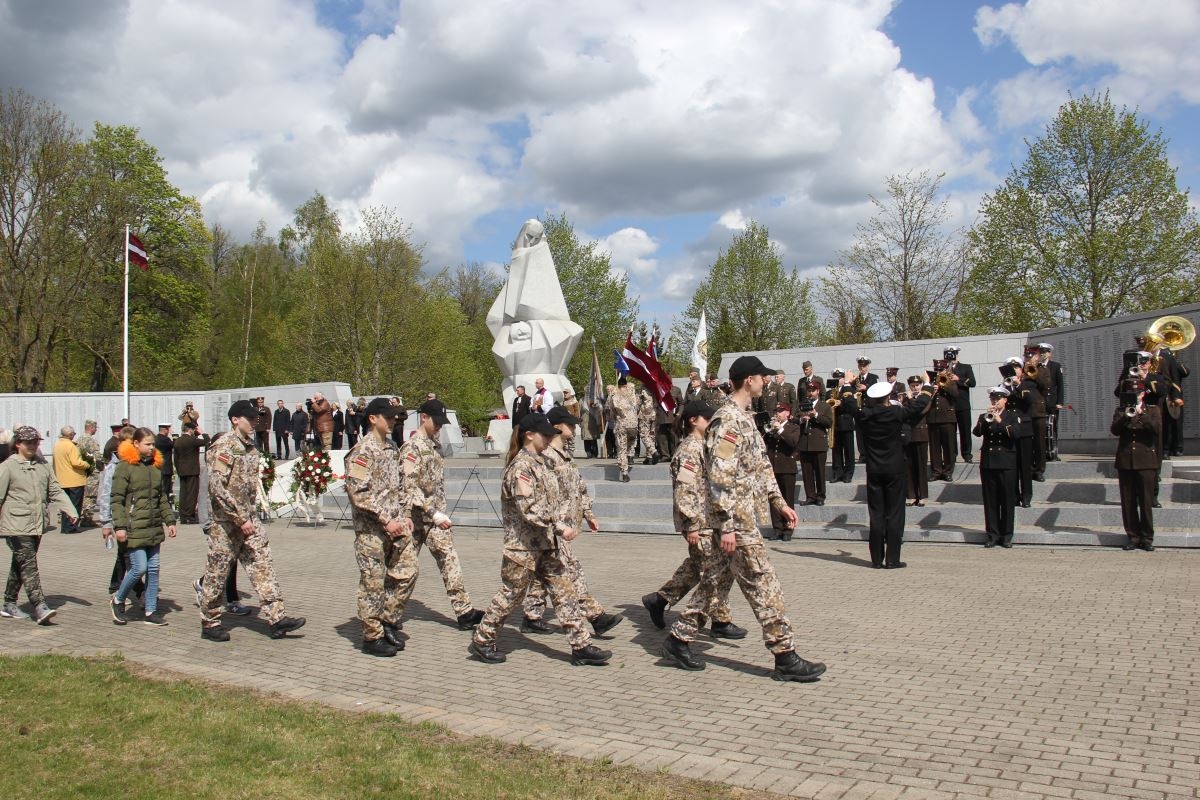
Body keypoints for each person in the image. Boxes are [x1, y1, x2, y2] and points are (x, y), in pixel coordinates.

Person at [662, 355, 826, 681]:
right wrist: (726, 526)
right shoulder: (727, 423)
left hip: (745, 518)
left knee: (715, 584)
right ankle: (785, 656)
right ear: (748, 380)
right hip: (736, 523)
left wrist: (779, 502)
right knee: (765, 585)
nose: (766, 382)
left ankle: (678, 639)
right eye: (762, 377)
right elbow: (720, 478)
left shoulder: (746, 418)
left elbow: (762, 467)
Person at [468, 413, 612, 667]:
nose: (549, 438)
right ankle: (482, 638)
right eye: (544, 434)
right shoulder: (521, 467)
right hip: (522, 548)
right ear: (529, 434)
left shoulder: (541, 463)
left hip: (545, 545)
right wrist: (559, 526)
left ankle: (581, 646)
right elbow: (530, 508)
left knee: (565, 592)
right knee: (511, 595)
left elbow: (554, 499)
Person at [198, 400, 305, 642]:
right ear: (235, 419)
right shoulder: (224, 446)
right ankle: (210, 621)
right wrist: (239, 517)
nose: (255, 422)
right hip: (226, 523)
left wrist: (249, 517)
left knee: (262, 565)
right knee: (217, 572)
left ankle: (277, 619)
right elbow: (217, 488)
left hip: (249, 521)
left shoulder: (251, 448)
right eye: (249, 418)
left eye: (256, 418)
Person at [642, 401, 746, 641]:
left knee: (698, 567)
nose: (711, 425)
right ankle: (720, 620)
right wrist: (691, 524)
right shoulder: (690, 449)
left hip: (710, 521)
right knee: (714, 572)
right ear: (694, 420)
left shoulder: (704, 446)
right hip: (700, 522)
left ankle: (659, 600)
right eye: (707, 419)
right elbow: (684, 490)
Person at [519, 406, 622, 637]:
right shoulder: (545, 458)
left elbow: (578, 488)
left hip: (567, 524)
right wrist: (555, 522)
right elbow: (542, 494)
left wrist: (588, 514)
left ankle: (532, 615)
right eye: (570, 424)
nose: (574, 428)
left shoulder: (565, 454)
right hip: (554, 525)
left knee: (544, 572)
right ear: (556, 426)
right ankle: (596, 617)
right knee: (571, 570)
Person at [399, 398, 485, 631]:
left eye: (441, 422)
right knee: (404, 569)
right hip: (415, 519)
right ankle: (389, 616)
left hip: (435, 518)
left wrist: (438, 513)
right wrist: (432, 513)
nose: (438, 426)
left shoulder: (433, 446)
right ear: (423, 418)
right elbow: (409, 486)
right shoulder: (412, 448)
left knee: (450, 561)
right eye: (435, 421)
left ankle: (464, 611)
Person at [344, 398, 413, 656]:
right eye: (389, 416)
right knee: (372, 584)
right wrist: (386, 519)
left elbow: (401, 485)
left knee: (408, 572)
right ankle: (372, 637)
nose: (394, 420)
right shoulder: (362, 452)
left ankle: (387, 620)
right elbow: (358, 492)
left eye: (396, 417)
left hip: (397, 527)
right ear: (373, 418)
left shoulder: (393, 448)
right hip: (372, 531)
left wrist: (405, 514)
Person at [0, 426, 77, 624]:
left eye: (36, 442)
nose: (33, 445)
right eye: (29, 442)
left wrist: (70, 510)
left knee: (22, 563)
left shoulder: (43, 464)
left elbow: (55, 490)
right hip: (15, 524)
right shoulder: (8, 466)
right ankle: (40, 606)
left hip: (36, 523)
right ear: (18, 444)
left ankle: (9, 603)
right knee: (29, 564)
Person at [856, 379, 933, 569]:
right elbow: (918, 406)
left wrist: (849, 385)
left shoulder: (865, 415)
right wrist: (928, 388)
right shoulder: (897, 412)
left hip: (874, 470)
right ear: (888, 397)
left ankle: (876, 559)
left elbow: (849, 406)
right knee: (895, 514)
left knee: (876, 514)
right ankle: (892, 559)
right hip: (895, 469)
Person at [109, 428, 177, 626]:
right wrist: (120, 526)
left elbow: (161, 497)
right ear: (136, 444)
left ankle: (150, 611)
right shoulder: (125, 467)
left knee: (154, 569)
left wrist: (170, 520)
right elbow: (117, 499)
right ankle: (118, 599)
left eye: (153, 444)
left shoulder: (155, 467)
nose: (152, 447)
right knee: (139, 568)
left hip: (153, 526)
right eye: (148, 444)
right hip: (134, 527)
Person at [1112, 378, 1161, 551]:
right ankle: (1133, 536)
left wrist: (1142, 415)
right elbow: (1115, 430)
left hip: (1146, 461)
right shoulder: (1121, 410)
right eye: (1132, 393)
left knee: (1146, 501)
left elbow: (1156, 430)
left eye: (1138, 392)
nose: (1135, 395)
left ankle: (1147, 538)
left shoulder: (1152, 410)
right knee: (1128, 501)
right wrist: (1126, 415)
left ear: (1143, 394)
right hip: (1126, 461)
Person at [974, 387, 1019, 549]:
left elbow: (1016, 434)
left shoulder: (1012, 415)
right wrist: (986, 419)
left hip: (1006, 463)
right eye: (993, 399)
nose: (995, 402)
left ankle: (1007, 535)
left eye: (997, 399)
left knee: (1007, 500)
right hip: (989, 464)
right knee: (990, 501)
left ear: (1005, 400)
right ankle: (992, 534)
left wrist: (1001, 421)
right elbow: (977, 433)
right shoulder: (985, 416)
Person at [762, 403, 801, 541]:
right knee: (774, 500)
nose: (778, 413)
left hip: (787, 468)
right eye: (776, 411)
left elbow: (792, 442)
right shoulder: (772, 428)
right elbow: (764, 443)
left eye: (781, 411)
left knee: (787, 499)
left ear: (788, 414)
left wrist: (780, 430)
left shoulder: (793, 427)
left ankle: (788, 529)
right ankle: (777, 528)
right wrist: (768, 431)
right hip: (773, 468)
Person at [795, 380, 833, 507]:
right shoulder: (802, 405)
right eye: (809, 391)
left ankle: (821, 496)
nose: (810, 393)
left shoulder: (824, 406)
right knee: (807, 472)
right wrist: (801, 419)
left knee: (820, 471)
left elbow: (829, 423)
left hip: (818, 443)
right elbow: (794, 419)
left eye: (813, 391)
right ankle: (810, 496)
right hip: (805, 443)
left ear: (818, 391)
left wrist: (815, 415)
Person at [942, 347, 977, 464]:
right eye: (947, 355)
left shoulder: (966, 367)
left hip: (962, 404)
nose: (950, 357)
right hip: (949, 405)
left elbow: (972, 382)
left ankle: (967, 454)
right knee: (950, 432)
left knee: (965, 430)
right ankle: (952, 454)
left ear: (957, 355)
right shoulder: (943, 368)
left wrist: (958, 379)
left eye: (952, 354)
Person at [52, 426, 89, 533]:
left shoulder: (57, 445)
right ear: (71, 434)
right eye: (74, 433)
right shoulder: (71, 446)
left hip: (62, 479)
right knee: (75, 505)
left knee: (66, 505)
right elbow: (76, 462)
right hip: (74, 480)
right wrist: (87, 464)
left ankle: (65, 526)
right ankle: (71, 527)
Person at [902, 376, 931, 508]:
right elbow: (904, 413)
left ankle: (922, 495)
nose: (915, 388)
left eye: (917, 385)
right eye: (913, 386)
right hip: (908, 435)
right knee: (909, 467)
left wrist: (908, 400)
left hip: (921, 434)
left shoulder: (925, 398)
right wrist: (905, 400)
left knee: (921, 466)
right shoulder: (905, 399)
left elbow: (919, 412)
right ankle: (911, 495)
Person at [173, 421, 209, 524]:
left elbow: (175, 458)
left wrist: (178, 469)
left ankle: (183, 516)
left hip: (182, 471)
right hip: (192, 471)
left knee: (183, 494)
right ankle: (190, 516)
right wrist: (202, 432)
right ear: (190, 430)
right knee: (192, 494)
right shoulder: (192, 440)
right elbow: (206, 440)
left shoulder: (177, 441)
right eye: (194, 430)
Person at [928, 362, 959, 481]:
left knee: (948, 446)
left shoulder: (950, 380)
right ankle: (936, 471)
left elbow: (956, 394)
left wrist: (944, 384)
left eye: (941, 369)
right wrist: (932, 388)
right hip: (933, 418)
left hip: (947, 418)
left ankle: (948, 471)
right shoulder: (931, 380)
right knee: (934, 447)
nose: (939, 371)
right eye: (937, 369)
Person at [604, 377, 639, 482]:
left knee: (621, 449)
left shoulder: (614, 395)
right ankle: (631, 455)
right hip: (633, 424)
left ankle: (624, 473)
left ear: (618, 385)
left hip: (621, 425)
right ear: (626, 385)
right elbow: (637, 406)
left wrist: (613, 418)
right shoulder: (632, 394)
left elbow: (610, 410)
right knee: (631, 442)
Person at [828, 370, 858, 483]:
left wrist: (841, 403)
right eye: (835, 378)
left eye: (839, 378)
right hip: (834, 425)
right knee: (836, 451)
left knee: (849, 451)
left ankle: (848, 473)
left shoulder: (849, 390)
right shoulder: (830, 392)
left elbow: (852, 407)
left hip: (846, 423)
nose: (837, 380)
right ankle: (837, 472)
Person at [1039, 343, 1066, 460]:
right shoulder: (1035, 367)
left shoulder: (1055, 366)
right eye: (1040, 352)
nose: (1042, 354)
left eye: (1044, 352)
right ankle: (1041, 453)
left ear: (1049, 353)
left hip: (1052, 402)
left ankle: (1053, 452)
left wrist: (1060, 402)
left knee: (1052, 427)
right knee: (1040, 428)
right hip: (1040, 402)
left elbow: (1060, 386)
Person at [76, 420, 103, 525]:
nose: (96, 430)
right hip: (92, 470)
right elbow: (97, 457)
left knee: (82, 495)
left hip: (81, 470)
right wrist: (103, 464)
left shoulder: (79, 440)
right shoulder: (91, 441)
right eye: (95, 428)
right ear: (91, 428)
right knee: (91, 495)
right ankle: (87, 518)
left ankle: (80, 515)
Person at [636, 385, 660, 465]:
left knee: (644, 435)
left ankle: (653, 451)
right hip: (654, 414)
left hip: (644, 415)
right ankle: (649, 458)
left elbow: (637, 403)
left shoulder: (643, 389)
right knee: (651, 435)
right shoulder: (657, 388)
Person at [154, 423, 175, 502]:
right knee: (166, 490)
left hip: (158, 467)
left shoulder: (156, 438)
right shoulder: (165, 440)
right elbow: (175, 444)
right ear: (165, 430)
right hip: (166, 469)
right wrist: (174, 435)